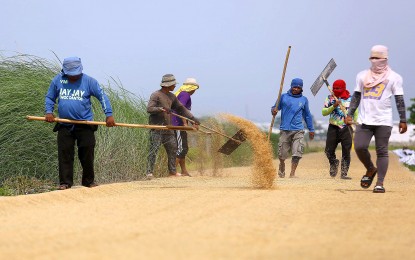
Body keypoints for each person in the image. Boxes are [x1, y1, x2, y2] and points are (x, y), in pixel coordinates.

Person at [44, 57, 115, 190]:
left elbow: (102, 96)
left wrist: (109, 114)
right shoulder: (58, 80)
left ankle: (88, 181)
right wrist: (49, 112)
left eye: (76, 73)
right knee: (65, 153)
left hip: (85, 124)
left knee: (87, 153)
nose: (74, 76)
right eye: (71, 74)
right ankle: (65, 182)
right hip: (64, 124)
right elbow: (49, 97)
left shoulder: (89, 81)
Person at [345, 45, 407, 193]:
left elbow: (399, 99)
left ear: (385, 59)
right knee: (359, 147)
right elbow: (356, 96)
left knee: (382, 151)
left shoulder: (394, 77)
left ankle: (379, 183)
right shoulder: (362, 76)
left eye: (377, 58)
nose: (374, 61)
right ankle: (370, 169)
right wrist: (349, 113)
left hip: (383, 121)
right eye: (372, 58)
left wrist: (403, 119)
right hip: (365, 120)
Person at [146, 74, 200, 179]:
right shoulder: (156, 95)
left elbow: (181, 109)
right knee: (154, 150)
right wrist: (161, 109)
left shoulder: (172, 97)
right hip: (157, 128)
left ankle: (172, 172)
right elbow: (149, 109)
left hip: (169, 128)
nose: (175, 86)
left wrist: (193, 118)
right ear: (168, 85)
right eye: (173, 84)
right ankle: (149, 173)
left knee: (173, 149)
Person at [271, 78, 315, 178]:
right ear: (291, 87)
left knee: (297, 151)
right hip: (285, 129)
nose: (296, 89)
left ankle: (292, 173)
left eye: (298, 87)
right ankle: (282, 166)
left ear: (301, 88)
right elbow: (274, 108)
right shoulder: (283, 97)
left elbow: (307, 115)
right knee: (282, 153)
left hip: (298, 130)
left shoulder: (304, 100)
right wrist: (274, 111)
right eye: (294, 87)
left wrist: (311, 129)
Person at [322, 79, 357, 179]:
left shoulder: (351, 99)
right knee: (328, 150)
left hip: (347, 128)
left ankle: (344, 173)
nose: (336, 90)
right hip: (333, 127)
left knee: (346, 151)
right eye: (334, 88)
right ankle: (334, 163)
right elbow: (324, 112)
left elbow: (356, 112)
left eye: (338, 88)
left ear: (344, 88)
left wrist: (353, 120)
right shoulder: (329, 98)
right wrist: (333, 106)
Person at [171, 77, 200, 177]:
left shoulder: (182, 94)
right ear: (192, 88)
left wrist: (192, 122)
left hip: (180, 123)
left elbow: (186, 112)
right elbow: (181, 109)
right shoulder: (185, 94)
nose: (195, 91)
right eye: (195, 89)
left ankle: (184, 171)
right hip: (177, 124)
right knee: (180, 148)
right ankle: (172, 172)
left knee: (185, 148)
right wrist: (185, 124)